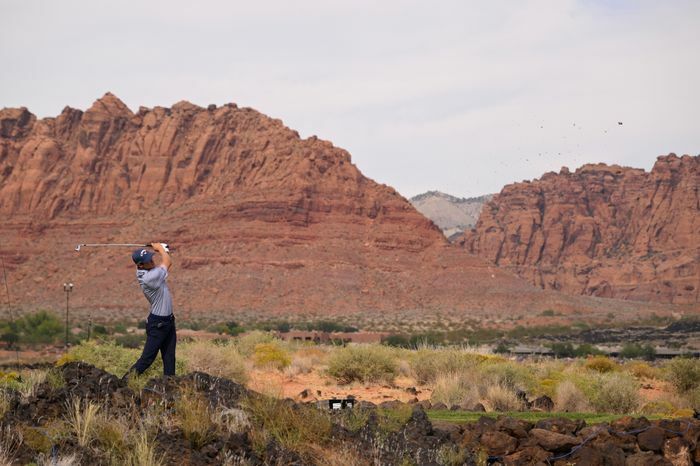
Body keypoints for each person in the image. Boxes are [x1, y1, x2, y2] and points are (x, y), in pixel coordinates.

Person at [124, 242, 176, 379]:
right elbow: (168, 262)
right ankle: (123, 383)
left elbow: (165, 261)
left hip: (168, 321)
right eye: (148, 261)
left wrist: (163, 250)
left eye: (151, 258)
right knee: (147, 360)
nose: (152, 261)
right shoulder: (149, 278)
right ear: (140, 265)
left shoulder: (148, 271)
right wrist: (160, 248)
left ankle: (170, 387)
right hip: (158, 324)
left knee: (169, 357)